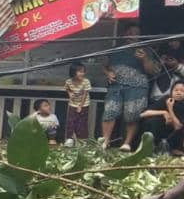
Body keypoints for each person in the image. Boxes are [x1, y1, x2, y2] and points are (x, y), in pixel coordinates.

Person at [101, 22, 155, 151]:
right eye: (130, 33)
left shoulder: (146, 50)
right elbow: (104, 65)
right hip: (116, 86)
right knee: (109, 111)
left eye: (136, 34)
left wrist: (144, 59)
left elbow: (152, 71)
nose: (132, 36)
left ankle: (127, 143)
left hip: (137, 87)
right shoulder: (115, 49)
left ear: (140, 36)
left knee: (132, 114)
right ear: (124, 34)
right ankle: (105, 141)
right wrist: (107, 73)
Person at [139, 80, 184, 155]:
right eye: (176, 90)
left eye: (182, 91)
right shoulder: (166, 99)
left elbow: (178, 127)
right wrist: (164, 112)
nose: (178, 93)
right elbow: (143, 114)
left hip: (175, 134)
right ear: (171, 91)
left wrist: (170, 109)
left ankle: (174, 149)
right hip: (160, 130)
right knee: (152, 122)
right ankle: (150, 147)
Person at [64, 62, 92, 146]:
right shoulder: (69, 81)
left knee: (82, 122)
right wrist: (70, 93)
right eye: (80, 71)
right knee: (71, 121)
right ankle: (70, 139)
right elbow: (67, 88)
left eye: (83, 71)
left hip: (84, 104)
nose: (82, 73)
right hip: (72, 104)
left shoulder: (86, 81)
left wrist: (80, 106)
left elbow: (85, 94)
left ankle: (82, 140)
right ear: (73, 72)